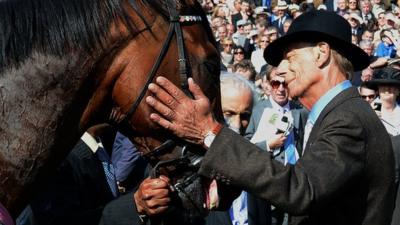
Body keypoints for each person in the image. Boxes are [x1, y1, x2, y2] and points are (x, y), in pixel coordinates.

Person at [145, 10, 395, 225]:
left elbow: (301, 190)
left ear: (321, 54)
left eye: (289, 57)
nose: (281, 70)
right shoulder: (333, 115)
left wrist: (209, 132)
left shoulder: (347, 118)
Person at [205, 72, 272, 225]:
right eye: (229, 114)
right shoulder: (188, 171)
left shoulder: (256, 165)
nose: (236, 125)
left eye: (244, 116)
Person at [366, 66, 400, 136]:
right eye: (383, 85)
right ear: (378, 89)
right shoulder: (370, 111)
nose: (387, 88)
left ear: (398, 91)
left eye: (392, 85)